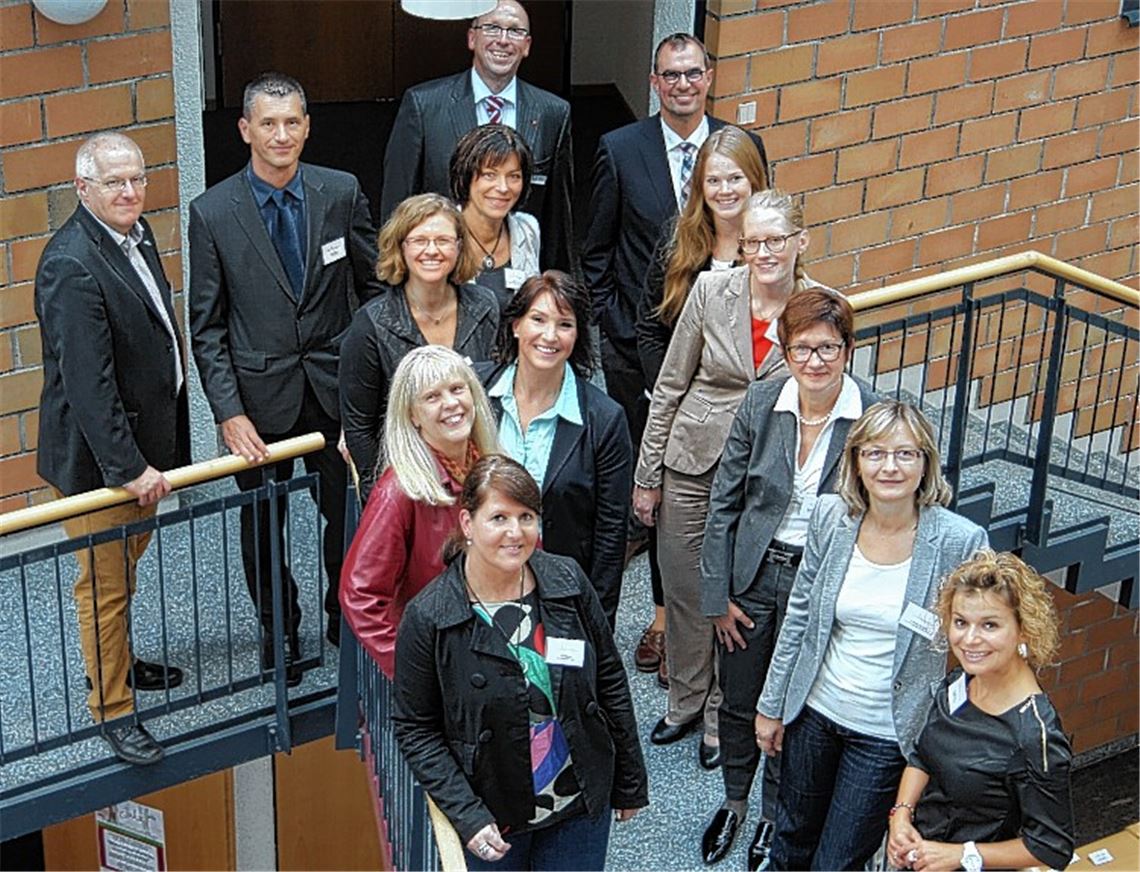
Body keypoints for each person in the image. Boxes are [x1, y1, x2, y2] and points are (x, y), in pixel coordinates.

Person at [189, 73, 384, 680]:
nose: (281, 135)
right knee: (261, 525)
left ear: (306, 126)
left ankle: (339, 613)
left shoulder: (340, 191)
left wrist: (363, 374)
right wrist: (228, 412)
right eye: (268, 123)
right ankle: (280, 629)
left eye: (292, 122)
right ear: (245, 129)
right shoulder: (212, 211)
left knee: (346, 510)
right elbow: (207, 326)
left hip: (333, 392)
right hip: (258, 402)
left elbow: (374, 284)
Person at [632, 189, 824, 770]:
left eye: (775, 240)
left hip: (763, 472)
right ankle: (686, 698)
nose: (763, 252)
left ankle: (721, 712)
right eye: (752, 242)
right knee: (685, 585)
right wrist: (647, 474)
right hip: (691, 458)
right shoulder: (712, 291)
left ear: (801, 242)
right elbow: (669, 383)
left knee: (734, 594)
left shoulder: (818, 306)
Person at [754, 401, 989, 871]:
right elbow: (800, 615)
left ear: (926, 463)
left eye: (905, 454)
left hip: (885, 732)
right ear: (856, 461)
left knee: (838, 861)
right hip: (814, 713)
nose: (890, 466)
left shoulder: (960, 541)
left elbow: (991, 632)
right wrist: (771, 704)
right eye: (876, 453)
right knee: (790, 841)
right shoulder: (830, 517)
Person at [392, 454, 648, 871]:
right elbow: (415, 727)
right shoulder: (430, 617)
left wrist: (630, 781)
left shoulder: (567, 580)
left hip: (577, 805)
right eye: (499, 518)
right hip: (494, 818)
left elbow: (609, 678)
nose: (515, 533)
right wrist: (467, 815)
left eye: (526, 516)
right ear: (467, 524)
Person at [698, 290, 880, 868]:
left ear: (848, 350)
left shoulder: (871, 415)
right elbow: (725, 500)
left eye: (828, 347)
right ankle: (733, 800)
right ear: (785, 350)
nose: (816, 360)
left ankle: (775, 816)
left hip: (818, 582)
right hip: (752, 576)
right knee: (739, 695)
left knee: (791, 705)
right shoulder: (760, 402)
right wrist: (717, 594)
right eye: (803, 347)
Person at [35, 132, 190, 766]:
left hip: (144, 452)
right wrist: (130, 470)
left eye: (137, 179)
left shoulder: (136, 232)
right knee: (102, 587)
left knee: (120, 575)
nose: (130, 192)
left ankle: (116, 668)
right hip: (104, 468)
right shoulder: (70, 263)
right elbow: (88, 386)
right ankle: (114, 711)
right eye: (114, 183)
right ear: (82, 189)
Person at [582, 32, 767, 455]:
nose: (682, 84)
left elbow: (759, 229)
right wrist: (616, 327)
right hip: (637, 346)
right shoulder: (620, 149)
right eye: (671, 75)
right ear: (654, 82)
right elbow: (596, 250)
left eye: (692, 73)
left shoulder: (743, 147)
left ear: (709, 77)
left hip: (725, 357)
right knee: (637, 462)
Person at [631, 124, 769, 687]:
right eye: (714, 179)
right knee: (680, 558)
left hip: (750, 432)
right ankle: (685, 672)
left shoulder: (771, 247)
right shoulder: (679, 243)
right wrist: (679, 396)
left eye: (735, 177)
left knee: (733, 565)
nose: (725, 189)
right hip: (685, 418)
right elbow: (648, 327)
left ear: (754, 182)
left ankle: (721, 691)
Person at [888, 550, 1074, 872]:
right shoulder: (961, 680)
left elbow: (1050, 847)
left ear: (1024, 629)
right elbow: (922, 755)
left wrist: (962, 854)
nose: (970, 639)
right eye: (960, 622)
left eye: (989, 625)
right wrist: (901, 815)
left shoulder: (1034, 735)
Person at [477, 271, 632, 626]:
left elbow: (610, 535)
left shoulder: (604, 419)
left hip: (558, 594)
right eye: (538, 319)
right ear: (516, 325)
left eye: (565, 324)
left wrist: (596, 621)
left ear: (577, 336)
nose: (550, 335)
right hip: (477, 582)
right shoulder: (476, 394)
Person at [340, 346, 499, 678]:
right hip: (443, 666)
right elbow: (360, 595)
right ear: (412, 415)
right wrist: (415, 673)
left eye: (457, 389)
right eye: (432, 397)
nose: (451, 404)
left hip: (492, 650)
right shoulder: (397, 492)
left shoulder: (492, 467)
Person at [381, 0, 573, 273]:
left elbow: (557, 218)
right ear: (472, 38)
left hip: (519, 278)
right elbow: (397, 205)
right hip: (439, 275)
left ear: (527, 45)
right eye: (492, 28)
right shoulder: (424, 105)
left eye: (515, 31)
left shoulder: (553, 113)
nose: (503, 40)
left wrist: (557, 285)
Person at [339, 194, 499, 498]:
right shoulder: (370, 325)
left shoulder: (487, 307)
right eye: (419, 240)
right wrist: (382, 497)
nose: (432, 250)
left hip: (480, 482)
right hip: (409, 488)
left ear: (459, 246)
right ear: (401, 247)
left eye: (443, 240)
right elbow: (359, 428)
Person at [450, 124, 541, 309]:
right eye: (489, 175)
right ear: (465, 176)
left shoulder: (527, 228)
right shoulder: (442, 232)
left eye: (514, 176)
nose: (503, 187)